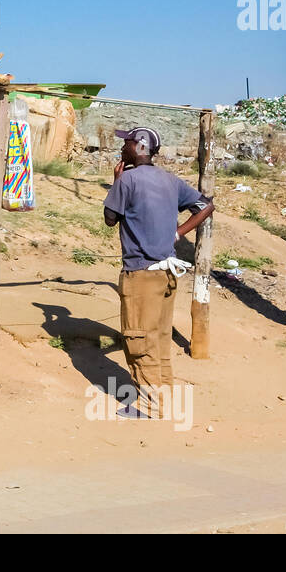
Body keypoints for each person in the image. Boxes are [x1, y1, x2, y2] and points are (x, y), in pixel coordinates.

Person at [102, 126, 214, 418]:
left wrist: (116, 181)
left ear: (139, 147)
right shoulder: (170, 181)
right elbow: (205, 206)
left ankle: (150, 405)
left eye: (126, 142)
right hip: (166, 275)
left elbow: (110, 219)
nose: (123, 146)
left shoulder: (127, 180)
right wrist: (177, 234)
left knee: (139, 339)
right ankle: (163, 400)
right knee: (160, 339)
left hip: (141, 274)